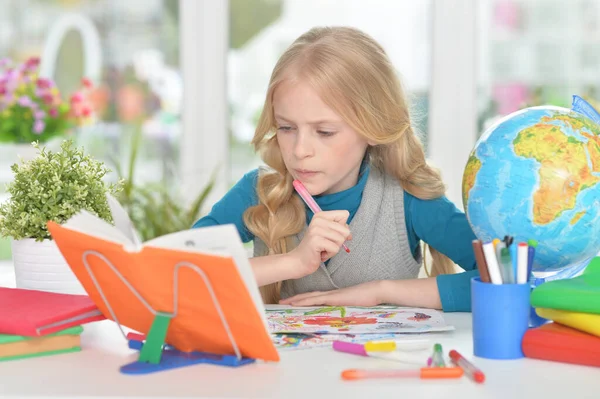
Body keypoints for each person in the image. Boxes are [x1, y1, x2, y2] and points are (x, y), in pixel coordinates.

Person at [193, 26, 479, 312]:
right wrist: (292, 262)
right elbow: (180, 272)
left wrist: (380, 292)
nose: (299, 150)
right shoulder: (259, 193)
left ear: (372, 128)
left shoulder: (407, 199)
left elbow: (510, 280)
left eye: (325, 131)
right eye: (286, 127)